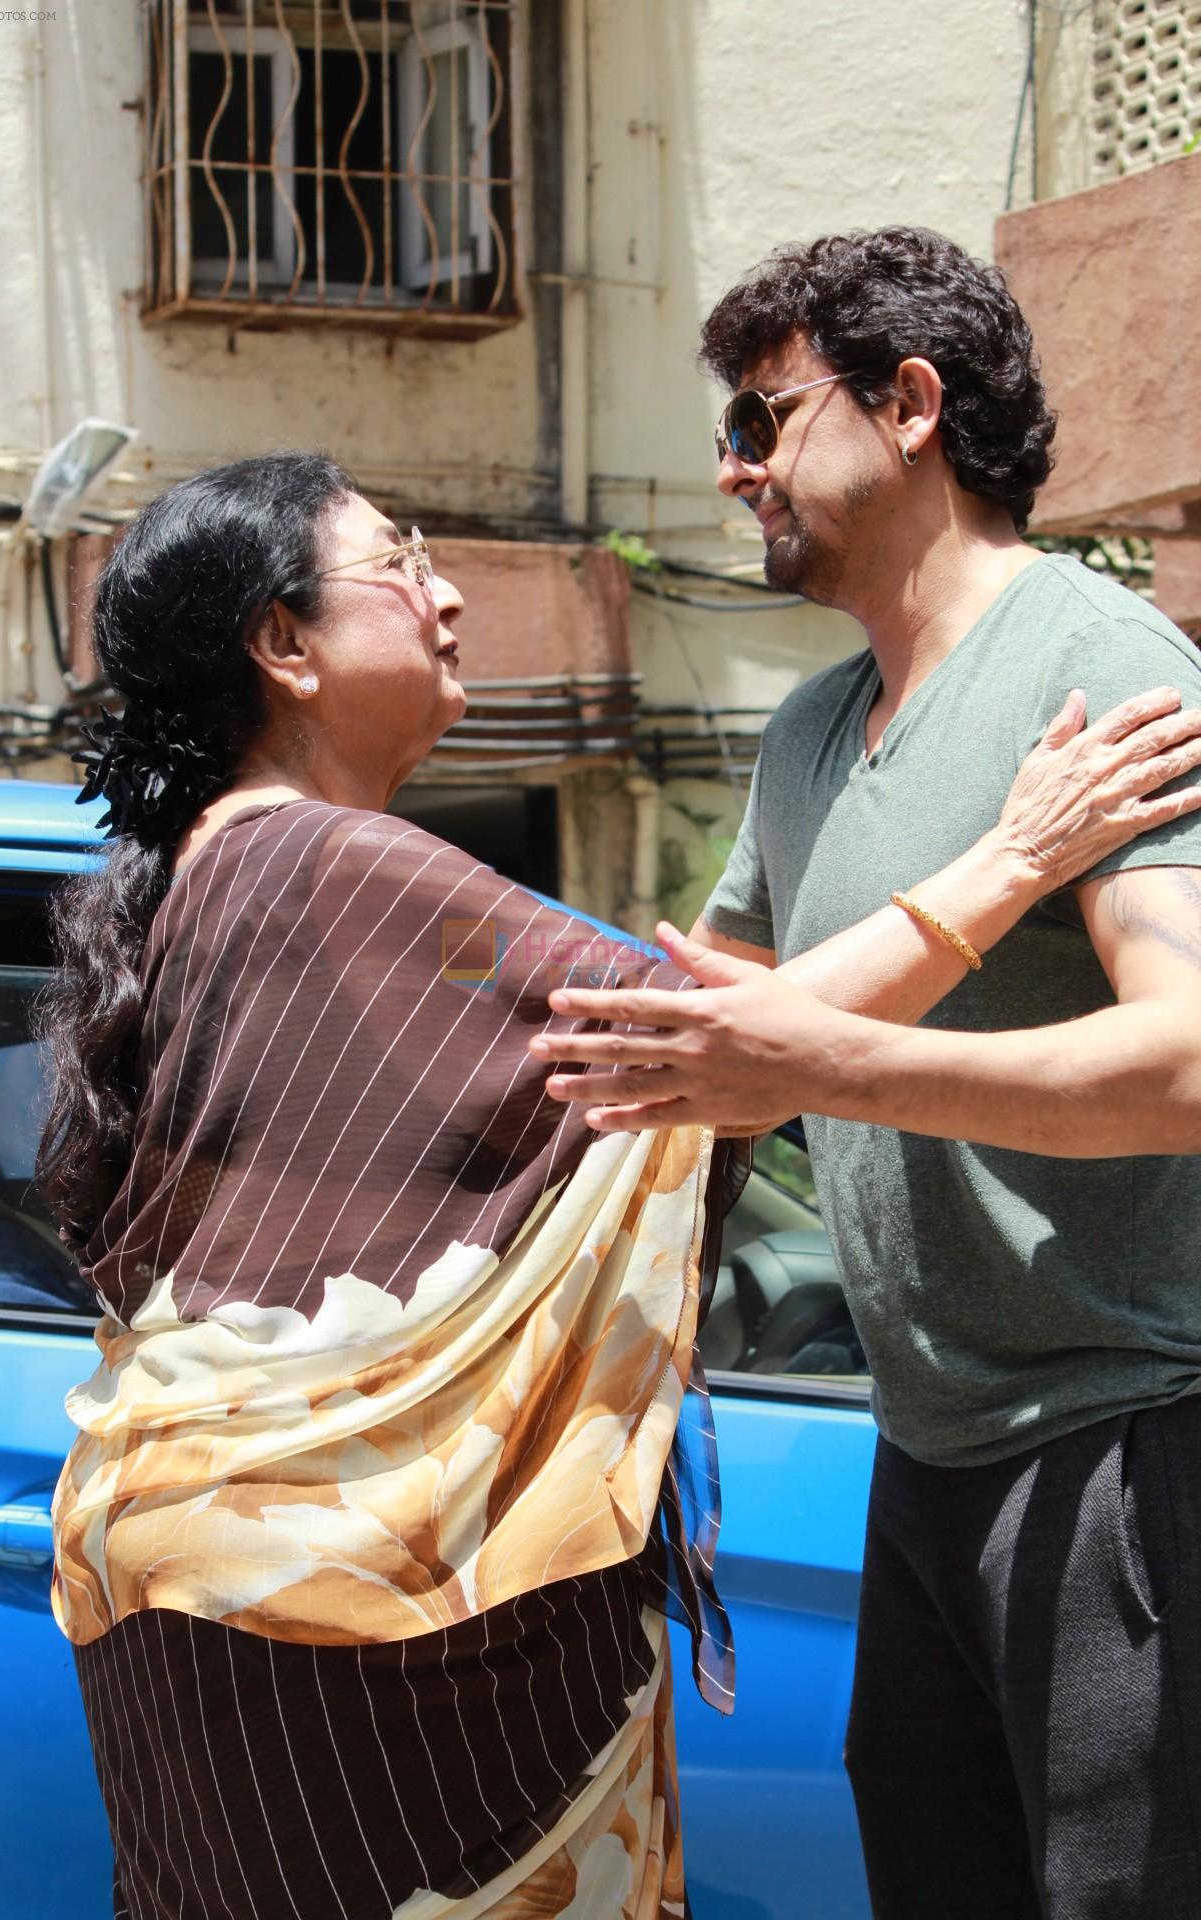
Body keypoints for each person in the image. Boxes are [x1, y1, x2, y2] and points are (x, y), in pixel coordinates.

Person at [526, 227, 1201, 1918]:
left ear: (910, 405)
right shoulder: (811, 732)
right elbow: (727, 1060)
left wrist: (818, 1056)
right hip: (926, 1449)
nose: (735, 468)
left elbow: (1187, 1062)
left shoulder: (1099, 674)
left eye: (764, 417)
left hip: (1124, 1442)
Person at [37, 452, 742, 1920]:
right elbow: (698, 1049)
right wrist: (1007, 864)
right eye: (401, 560)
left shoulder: (203, 873)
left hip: (209, 1582)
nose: (450, 592)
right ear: (282, 645)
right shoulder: (325, 862)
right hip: (351, 1626)